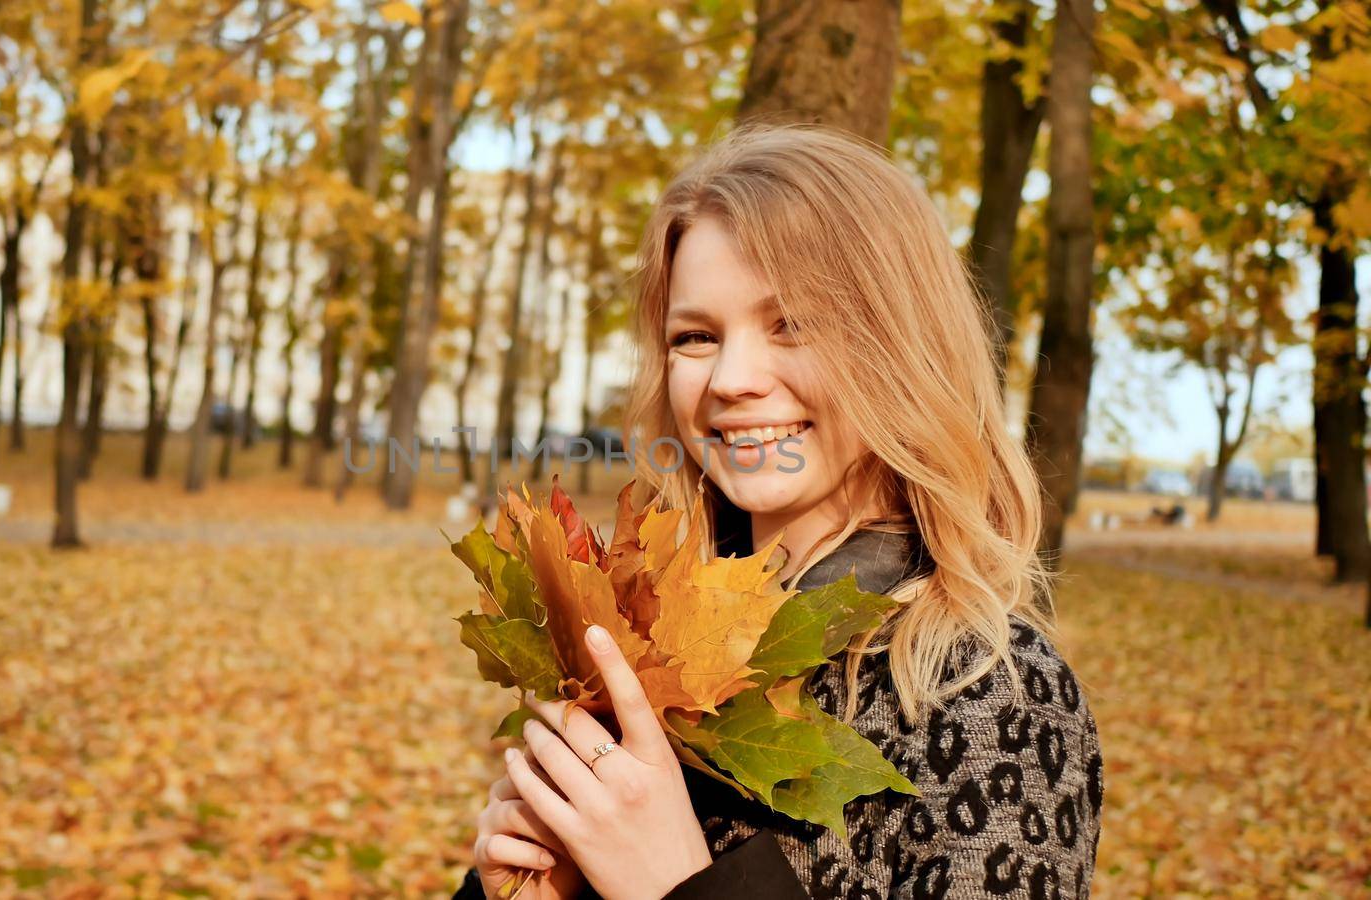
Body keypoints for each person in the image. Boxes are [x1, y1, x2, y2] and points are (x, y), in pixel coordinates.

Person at [453, 125, 1103, 899]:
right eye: (695, 336)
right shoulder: (642, 653)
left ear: (900, 345)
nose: (732, 377)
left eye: (792, 324)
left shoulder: (992, 697)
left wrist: (675, 885)